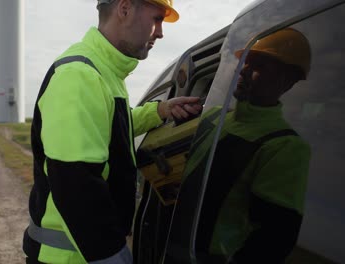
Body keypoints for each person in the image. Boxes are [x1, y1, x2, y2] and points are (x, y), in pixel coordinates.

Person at [23, 1, 202, 263]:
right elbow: (77, 188)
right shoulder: (80, 75)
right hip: (71, 258)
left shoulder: (103, 72)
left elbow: (110, 124)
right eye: (157, 18)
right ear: (125, 9)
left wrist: (159, 111)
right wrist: (114, 258)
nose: (161, 32)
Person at [183, 28, 312, 263]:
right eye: (246, 61)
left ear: (287, 81)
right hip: (173, 240)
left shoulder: (284, 145)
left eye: (259, 65)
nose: (243, 70)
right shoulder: (212, 117)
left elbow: (273, 239)